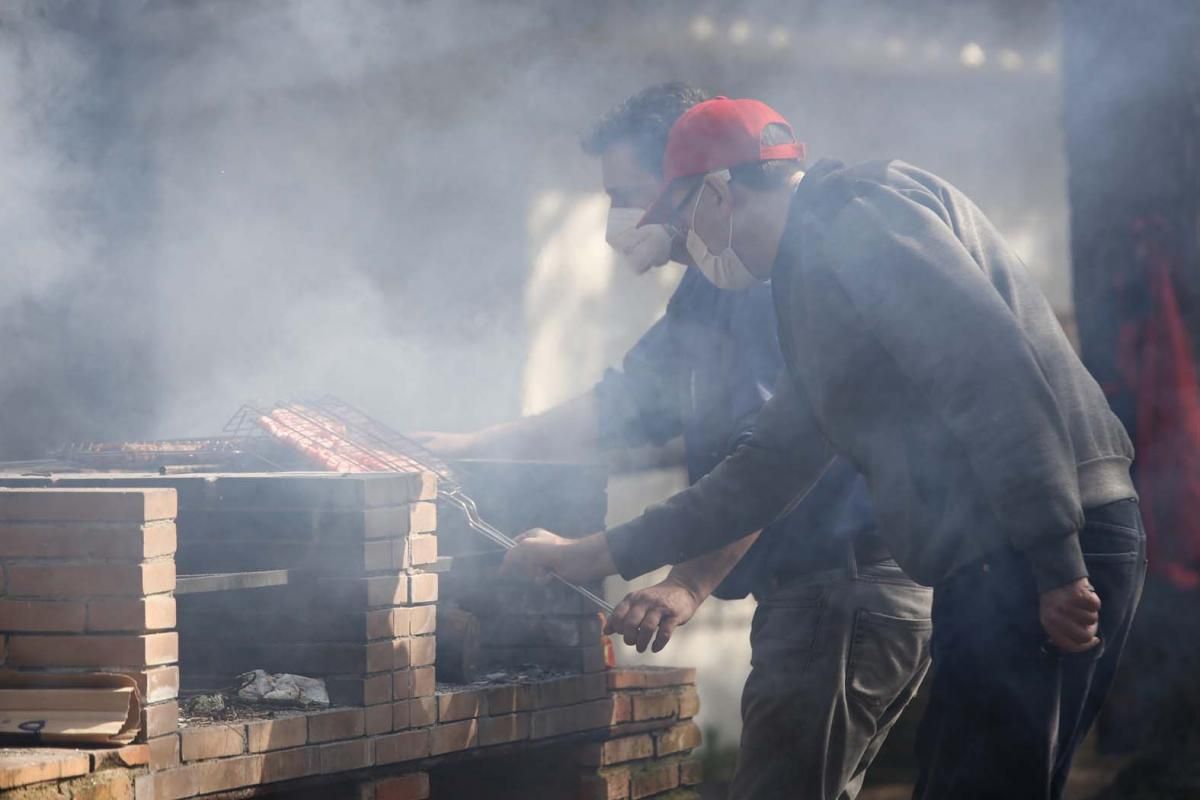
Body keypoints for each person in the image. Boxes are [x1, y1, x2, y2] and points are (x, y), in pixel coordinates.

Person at [502, 96, 1147, 800]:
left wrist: (1055, 562)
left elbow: (991, 375)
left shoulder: (861, 216)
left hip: (1042, 544)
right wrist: (595, 554)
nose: (691, 248)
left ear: (719, 191)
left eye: (686, 221)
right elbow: (769, 465)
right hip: (995, 555)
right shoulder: (811, 280)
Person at [419, 84, 932, 799]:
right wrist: (474, 443)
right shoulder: (712, 286)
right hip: (817, 597)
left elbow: (770, 460)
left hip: (843, 591)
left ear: (692, 174)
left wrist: (686, 582)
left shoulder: (762, 278)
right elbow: (622, 403)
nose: (616, 220)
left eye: (626, 192)